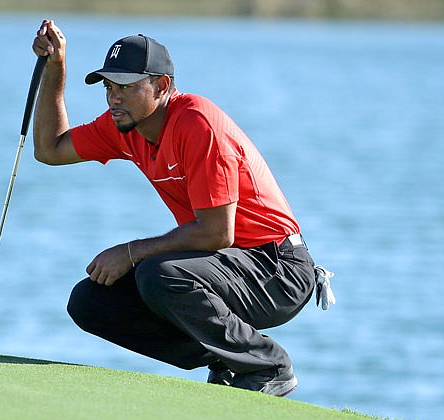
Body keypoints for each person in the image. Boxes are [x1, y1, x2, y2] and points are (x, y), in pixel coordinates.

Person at [31, 19, 326, 397]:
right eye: (109, 86)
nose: (113, 97)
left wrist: (130, 252)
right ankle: (229, 358)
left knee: (158, 272)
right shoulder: (126, 127)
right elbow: (50, 149)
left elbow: (218, 233)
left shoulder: (197, 123)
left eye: (126, 86)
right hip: (225, 264)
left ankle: (268, 364)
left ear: (161, 87)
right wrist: (56, 69)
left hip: (279, 270)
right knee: (90, 301)